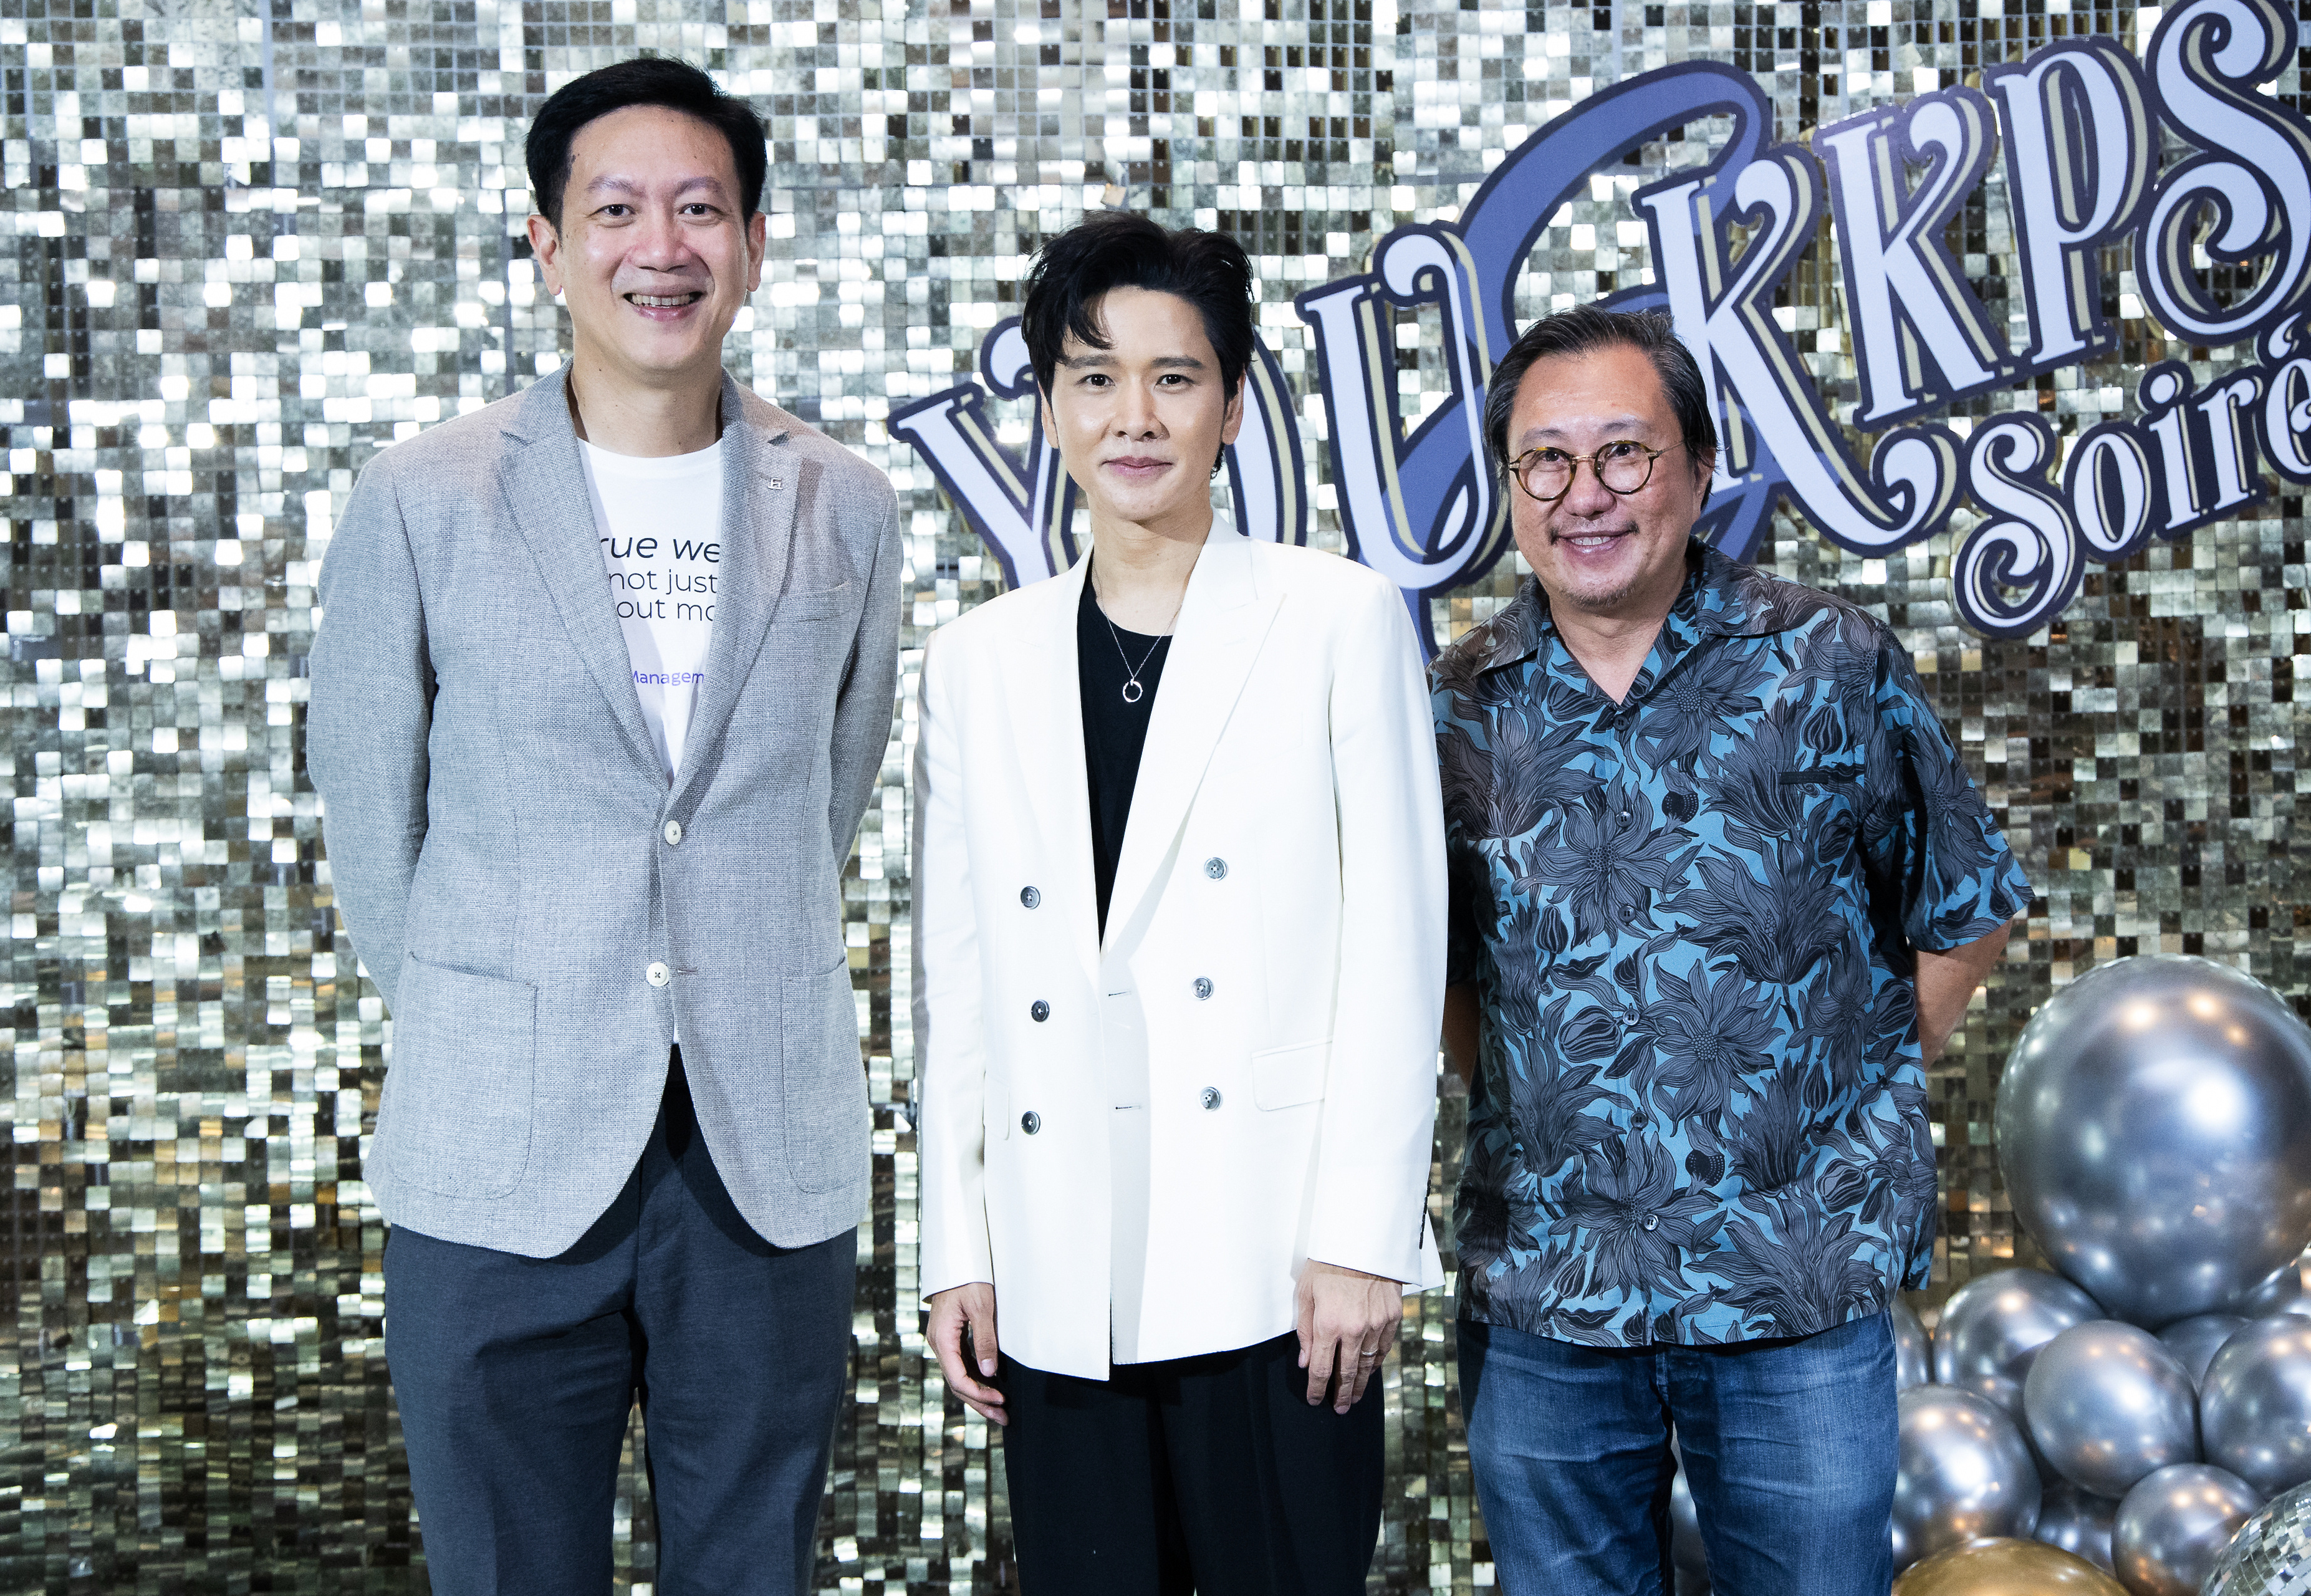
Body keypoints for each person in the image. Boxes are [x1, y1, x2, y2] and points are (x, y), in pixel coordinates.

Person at [307, 59, 900, 1594]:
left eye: (701, 209)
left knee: (753, 1567)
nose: (662, 247)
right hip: (497, 1148)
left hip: (755, 1155)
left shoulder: (844, 502)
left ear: (752, 245)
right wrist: (490, 1012)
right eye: (617, 210)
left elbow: (824, 798)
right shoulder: (423, 496)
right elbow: (372, 803)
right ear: (547, 245)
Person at [1432, 305, 2031, 1595]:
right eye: (1546, 461)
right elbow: (1445, 975)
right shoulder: (1455, 705)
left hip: (1795, 1285)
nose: (1584, 494)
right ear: (1512, 489)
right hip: (1546, 1293)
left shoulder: (1825, 663)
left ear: (1699, 469)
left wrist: (1849, 1078)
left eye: (1624, 453)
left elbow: (1968, 900)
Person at [911, 210, 1448, 1594]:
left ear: (1232, 403)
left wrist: (1364, 1237)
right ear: (1050, 409)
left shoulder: (1337, 619)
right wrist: (957, 1245)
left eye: (1174, 377)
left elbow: (1398, 951)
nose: (1133, 417)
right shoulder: (977, 660)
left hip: (1277, 1264)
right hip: (1058, 1260)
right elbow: (957, 983)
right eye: (1095, 378)